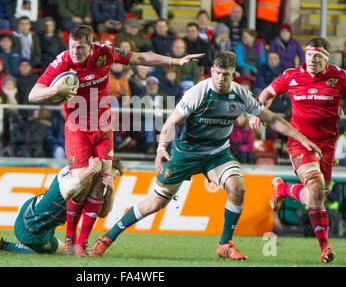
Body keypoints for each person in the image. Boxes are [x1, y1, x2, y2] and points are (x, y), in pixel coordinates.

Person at [88, 51, 322, 260]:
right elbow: (170, 123)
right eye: (218, 73)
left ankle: (224, 244)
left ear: (234, 74)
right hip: (186, 152)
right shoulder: (197, 93)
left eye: (227, 74)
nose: (221, 78)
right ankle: (106, 238)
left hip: (217, 153)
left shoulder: (240, 95)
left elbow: (272, 119)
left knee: (237, 188)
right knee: (155, 203)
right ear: (212, 71)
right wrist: (161, 149)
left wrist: (302, 138)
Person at [29, 24, 204, 256]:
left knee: (103, 181)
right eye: (72, 47)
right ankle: (70, 237)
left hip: (103, 127)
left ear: (90, 45)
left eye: (80, 48)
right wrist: (55, 91)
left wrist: (175, 61)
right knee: (82, 182)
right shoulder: (62, 62)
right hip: (77, 129)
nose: (75, 53)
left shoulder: (105, 53)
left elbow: (141, 57)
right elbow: (33, 94)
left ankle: (82, 243)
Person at [250, 37, 345, 263]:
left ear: (326, 58)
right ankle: (325, 248)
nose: (312, 59)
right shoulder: (292, 75)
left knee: (317, 197)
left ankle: (283, 189)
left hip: (328, 144)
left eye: (317, 56)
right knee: (315, 185)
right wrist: (258, 112)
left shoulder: (338, 76)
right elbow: (267, 94)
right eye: (309, 55)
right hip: (300, 140)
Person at [0, 156, 123, 255]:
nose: (108, 181)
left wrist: (110, 191)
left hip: (48, 224)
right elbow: (67, 193)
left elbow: (103, 213)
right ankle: (4, 245)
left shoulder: (96, 187)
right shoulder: (73, 172)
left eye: (113, 179)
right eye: (109, 176)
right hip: (32, 223)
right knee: (42, 252)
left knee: (64, 252)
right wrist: (90, 170)